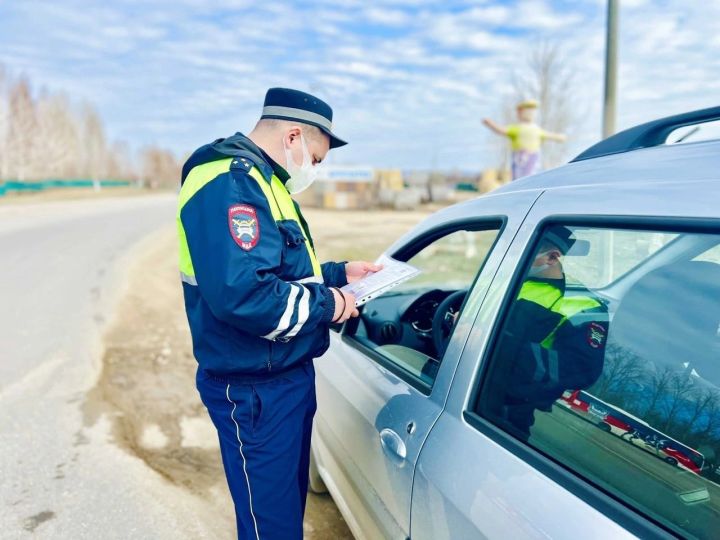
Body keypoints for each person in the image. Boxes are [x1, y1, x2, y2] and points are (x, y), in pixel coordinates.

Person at [177, 87, 381, 539]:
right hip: (254, 388)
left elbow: (279, 270)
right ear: (293, 137)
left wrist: (336, 274)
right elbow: (245, 294)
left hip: (280, 378)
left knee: (284, 516)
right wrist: (334, 304)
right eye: (317, 159)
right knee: (270, 526)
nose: (315, 170)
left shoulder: (264, 182)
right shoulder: (231, 183)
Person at [489, 226, 608, 441]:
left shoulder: (584, 307)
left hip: (504, 414)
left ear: (552, 257)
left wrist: (495, 344)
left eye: (522, 254)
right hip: (465, 381)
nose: (511, 259)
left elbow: (578, 371)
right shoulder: (509, 281)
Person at [483, 99, 567, 180]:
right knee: (519, 178)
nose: (531, 113)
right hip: (519, 159)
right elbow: (502, 130)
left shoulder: (536, 129)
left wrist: (560, 137)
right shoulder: (517, 128)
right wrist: (491, 124)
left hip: (533, 159)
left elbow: (550, 135)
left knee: (531, 177)